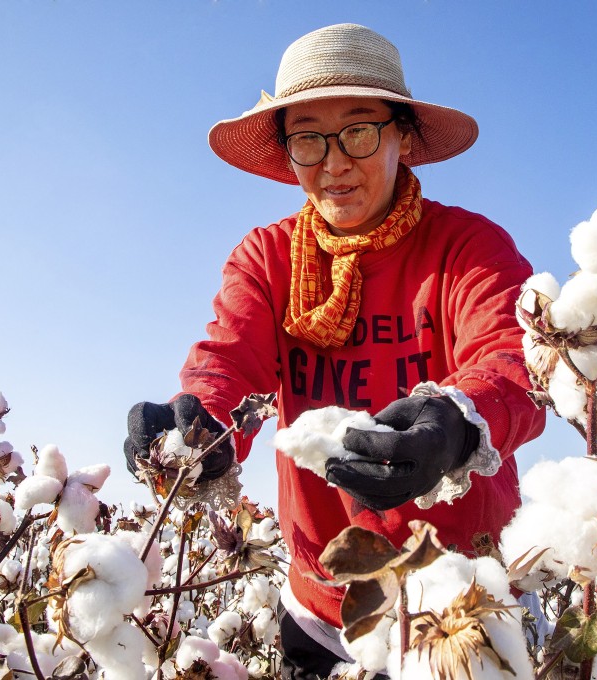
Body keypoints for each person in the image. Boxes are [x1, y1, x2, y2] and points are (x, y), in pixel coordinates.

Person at [124, 23, 546, 679]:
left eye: (358, 130)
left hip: (463, 608)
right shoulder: (267, 258)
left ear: (402, 136)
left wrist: (457, 421)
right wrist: (200, 426)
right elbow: (228, 360)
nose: (334, 162)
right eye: (308, 139)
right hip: (322, 610)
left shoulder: (468, 248)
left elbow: (513, 357)